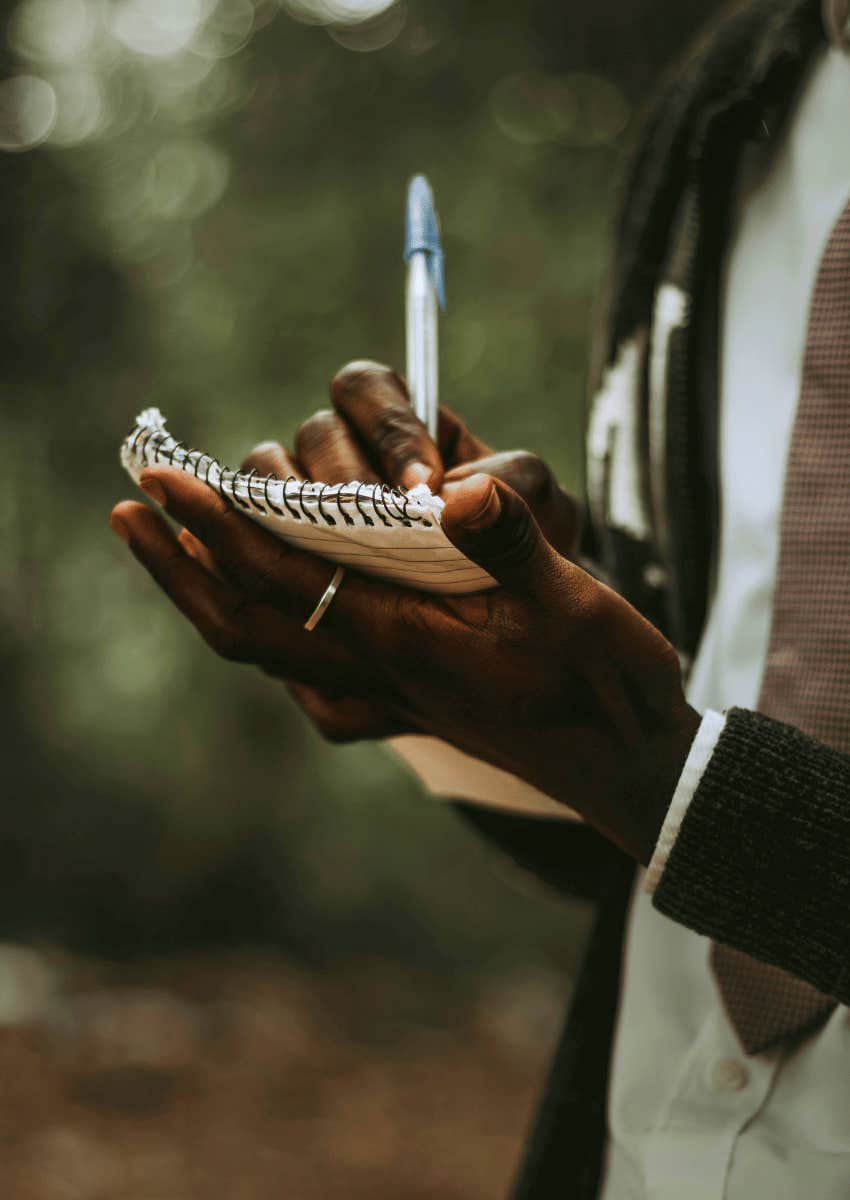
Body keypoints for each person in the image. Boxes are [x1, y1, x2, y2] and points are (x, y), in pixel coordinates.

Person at [110, 0, 850, 1195]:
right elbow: (669, 785)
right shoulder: (731, 101)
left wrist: (671, 781)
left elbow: (683, 791)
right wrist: (452, 669)